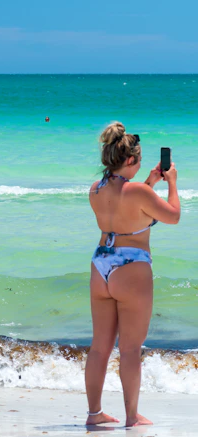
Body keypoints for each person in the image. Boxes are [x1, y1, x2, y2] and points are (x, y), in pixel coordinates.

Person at [86, 121, 180, 427]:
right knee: (129, 349)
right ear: (130, 160)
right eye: (138, 161)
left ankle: (94, 414)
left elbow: (124, 212)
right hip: (132, 267)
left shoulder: (96, 190)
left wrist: (148, 183)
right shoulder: (139, 191)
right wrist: (172, 184)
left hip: (101, 264)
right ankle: (131, 416)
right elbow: (173, 216)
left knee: (100, 346)